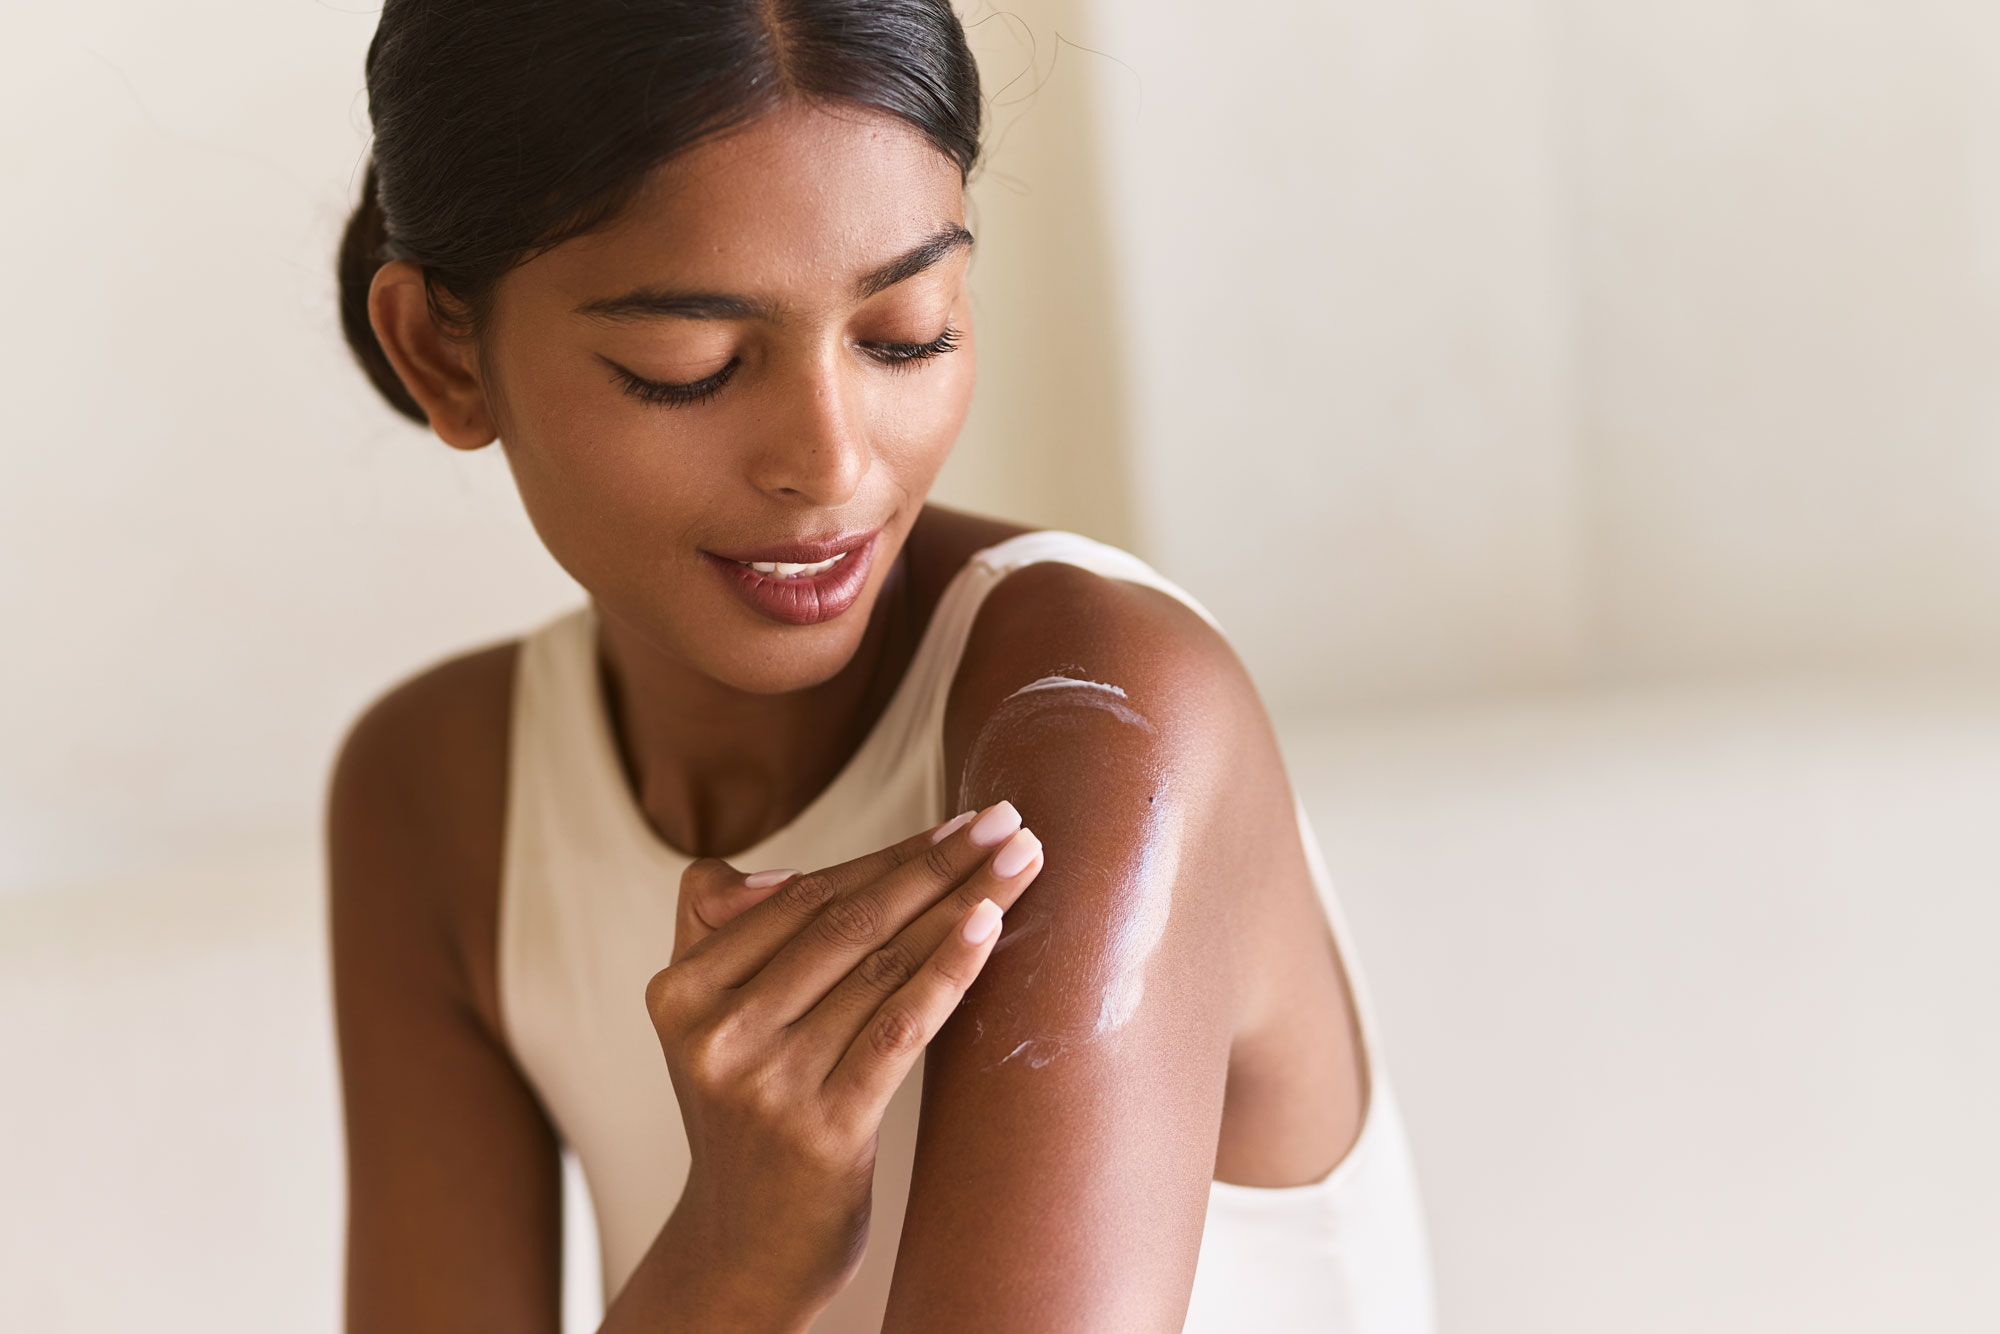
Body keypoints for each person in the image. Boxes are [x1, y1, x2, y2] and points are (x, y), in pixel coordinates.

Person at [326, 2, 1434, 1329]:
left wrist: (735, 1266)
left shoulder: (1107, 717)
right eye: (691, 364)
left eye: (904, 330)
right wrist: (737, 1249)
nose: (834, 460)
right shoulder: (437, 797)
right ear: (445, 353)